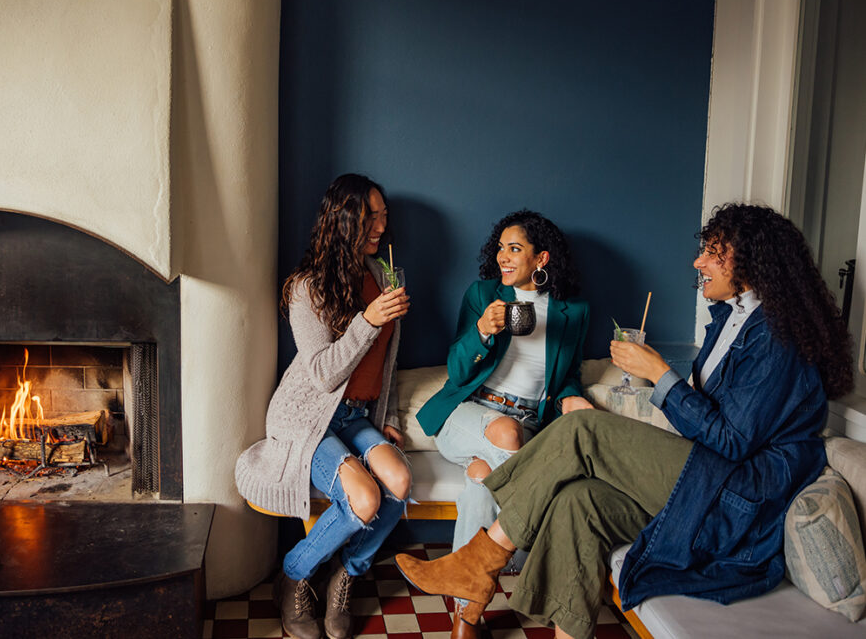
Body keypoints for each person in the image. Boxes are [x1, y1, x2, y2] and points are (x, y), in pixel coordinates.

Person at [395, 203, 853, 639]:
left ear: (753, 261)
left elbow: (732, 441)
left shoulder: (776, 337)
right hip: (706, 478)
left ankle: (484, 559)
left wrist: (660, 374)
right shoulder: (729, 321)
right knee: (576, 502)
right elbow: (717, 421)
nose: (698, 262)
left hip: (735, 501)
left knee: (582, 430)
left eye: (714, 252)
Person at [236, 173, 411, 639]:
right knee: (365, 498)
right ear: (343, 219)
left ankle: (345, 575)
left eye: (384, 215)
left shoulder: (382, 277)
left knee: (399, 480)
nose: (381, 226)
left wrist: (390, 417)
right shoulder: (307, 287)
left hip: (356, 416)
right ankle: (294, 575)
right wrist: (367, 321)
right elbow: (322, 374)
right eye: (370, 216)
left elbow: (388, 360)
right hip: (307, 417)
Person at [414, 210, 592, 636]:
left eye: (515, 249)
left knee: (481, 481)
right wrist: (481, 330)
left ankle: (465, 616)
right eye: (500, 248)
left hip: (528, 422)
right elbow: (457, 372)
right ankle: (531, 550)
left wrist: (572, 399)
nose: (503, 257)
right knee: (506, 433)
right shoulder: (483, 295)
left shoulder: (573, 311)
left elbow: (568, 376)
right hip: (467, 414)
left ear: (541, 258)